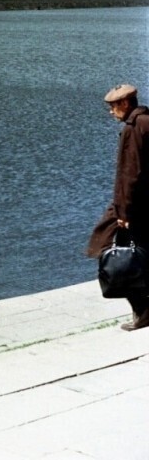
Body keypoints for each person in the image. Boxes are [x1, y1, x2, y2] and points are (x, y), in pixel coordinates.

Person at [87, 83, 149, 331]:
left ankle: (143, 311)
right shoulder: (148, 121)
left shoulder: (133, 129)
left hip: (133, 208)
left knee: (113, 256)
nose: (111, 112)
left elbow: (129, 173)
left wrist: (123, 213)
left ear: (125, 104)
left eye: (113, 107)